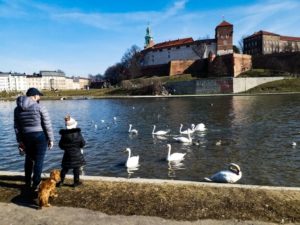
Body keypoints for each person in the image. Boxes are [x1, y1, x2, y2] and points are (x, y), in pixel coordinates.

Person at [14, 87, 54, 190]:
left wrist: (20, 141)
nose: (39, 97)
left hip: (26, 137)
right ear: (34, 96)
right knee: (39, 160)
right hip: (40, 136)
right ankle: (36, 183)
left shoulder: (17, 109)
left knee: (29, 159)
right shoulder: (40, 107)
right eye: (39, 95)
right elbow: (47, 125)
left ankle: (27, 181)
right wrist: (51, 139)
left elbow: (17, 127)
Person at [58, 115, 86, 187]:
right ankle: (76, 183)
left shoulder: (64, 135)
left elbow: (60, 145)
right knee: (76, 168)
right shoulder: (78, 134)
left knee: (65, 168)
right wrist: (78, 146)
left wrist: (66, 148)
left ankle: (61, 181)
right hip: (77, 154)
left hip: (67, 154)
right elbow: (83, 143)